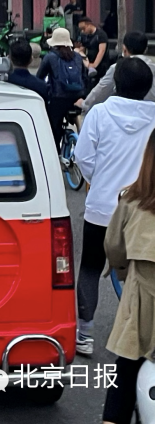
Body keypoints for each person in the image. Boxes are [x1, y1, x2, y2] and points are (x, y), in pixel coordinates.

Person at [74, 57, 155, 357]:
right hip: (144, 208)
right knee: (142, 272)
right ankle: (142, 333)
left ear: (116, 84)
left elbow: (83, 158)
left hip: (102, 206)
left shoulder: (99, 114)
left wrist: (102, 180)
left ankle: (85, 333)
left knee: (91, 268)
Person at [101, 130, 155, 424]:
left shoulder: (132, 200)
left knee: (125, 368)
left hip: (142, 304)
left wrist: (124, 272)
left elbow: (114, 248)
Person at [36, 28, 88, 148]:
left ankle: (56, 151)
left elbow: (39, 77)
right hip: (77, 97)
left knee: (53, 127)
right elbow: (84, 77)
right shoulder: (78, 57)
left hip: (58, 98)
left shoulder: (50, 57)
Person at [83, 31, 155, 112]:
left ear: (124, 49)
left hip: (125, 114)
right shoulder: (152, 67)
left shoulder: (118, 68)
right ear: (146, 50)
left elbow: (100, 91)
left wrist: (85, 104)